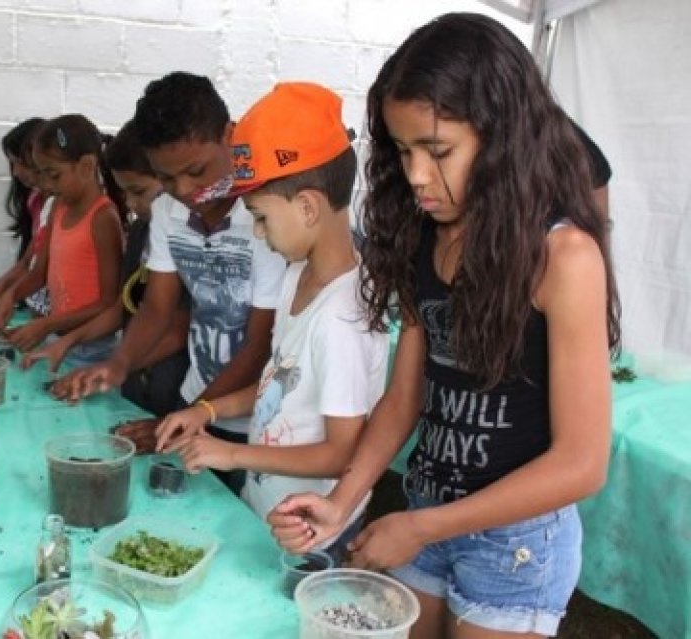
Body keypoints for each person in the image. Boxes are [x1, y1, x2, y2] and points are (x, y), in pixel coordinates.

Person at [268, 13, 621, 639]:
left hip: (516, 546)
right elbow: (403, 401)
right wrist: (341, 502)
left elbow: (582, 464)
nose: (415, 176)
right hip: (429, 507)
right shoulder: (425, 238)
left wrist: (421, 526)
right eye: (403, 151)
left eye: (438, 151)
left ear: (504, 137)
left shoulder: (563, 258)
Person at [153, 83, 389, 561]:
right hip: (269, 507)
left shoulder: (342, 318)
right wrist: (208, 413)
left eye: (261, 217)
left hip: (312, 529)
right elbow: (273, 382)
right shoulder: (296, 277)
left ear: (307, 207)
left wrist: (231, 454)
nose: (257, 233)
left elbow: (342, 452)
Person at [52, 72, 287, 494]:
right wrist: (119, 363)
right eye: (167, 177)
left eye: (196, 171)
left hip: (258, 422)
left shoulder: (265, 218)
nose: (184, 190)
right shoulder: (167, 214)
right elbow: (158, 308)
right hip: (194, 399)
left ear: (229, 137)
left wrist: (193, 416)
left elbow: (259, 343)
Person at [23, 120, 191, 418]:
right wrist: (67, 341)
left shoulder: (184, 239)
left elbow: (177, 329)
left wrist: (114, 366)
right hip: (136, 382)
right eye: (126, 193)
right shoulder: (142, 232)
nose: (131, 204)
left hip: (170, 386)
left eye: (139, 192)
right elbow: (120, 307)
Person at [0, 115, 127, 362]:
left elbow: (108, 303)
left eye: (54, 175)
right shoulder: (57, 207)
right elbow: (38, 273)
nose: (46, 185)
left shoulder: (103, 218)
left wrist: (47, 324)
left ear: (86, 166)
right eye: (42, 174)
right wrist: (9, 297)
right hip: (57, 339)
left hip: (93, 348)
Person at [0, 118, 51, 322]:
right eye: (12, 164)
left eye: (19, 162)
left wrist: (7, 296)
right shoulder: (37, 201)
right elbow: (27, 262)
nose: (15, 172)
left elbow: (39, 269)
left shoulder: (64, 207)